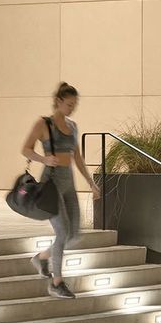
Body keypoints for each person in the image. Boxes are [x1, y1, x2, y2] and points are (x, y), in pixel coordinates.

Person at [19, 82, 103, 299]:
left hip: (68, 182)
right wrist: (44, 158)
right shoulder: (44, 124)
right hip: (51, 182)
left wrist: (91, 183)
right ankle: (56, 282)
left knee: (74, 233)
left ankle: (42, 257)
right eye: (68, 104)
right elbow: (25, 149)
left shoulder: (73, 126)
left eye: (74, 105)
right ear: (58, 101)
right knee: (62, 232)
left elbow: (78, 158)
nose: (71, 108)